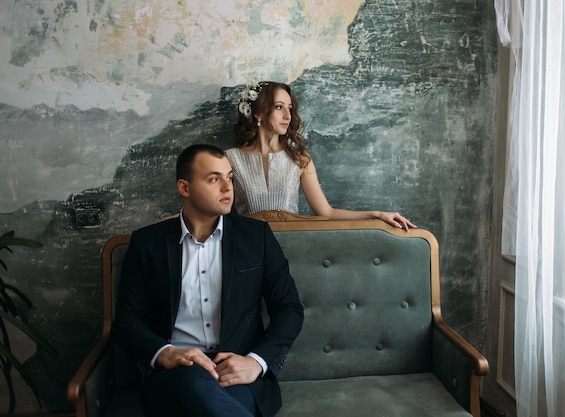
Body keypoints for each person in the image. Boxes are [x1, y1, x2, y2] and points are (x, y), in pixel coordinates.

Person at [113, 144, 304, 417]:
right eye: (214, 179)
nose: (228, 188)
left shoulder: (256, 237)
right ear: (184, 188)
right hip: (177, 373)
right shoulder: (147, 243)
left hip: (237, 372)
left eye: (230, 178)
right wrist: (165, 353)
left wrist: (255, 362)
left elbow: (289, 309)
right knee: (193, 385)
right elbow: (128, 320)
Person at [226, 81, 417, 230]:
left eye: (290, 108)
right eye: (278, 107)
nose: (288, 115)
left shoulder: (299, 159)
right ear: (259, 113)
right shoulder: (229, 159)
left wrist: (378, 214)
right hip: (246, 248)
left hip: (292, 250)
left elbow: (326, 212)